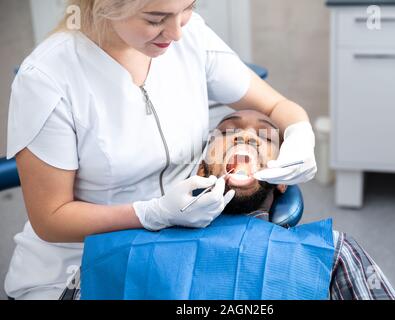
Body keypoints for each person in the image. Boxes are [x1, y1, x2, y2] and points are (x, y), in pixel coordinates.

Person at [5, 0, 317, 300]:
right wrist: (151, 213)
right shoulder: (47, 78)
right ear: (105, 5)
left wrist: (300, 130)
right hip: (79, 267)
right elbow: (50, 219)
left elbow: (276, 106)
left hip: (178, 249)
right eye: (155, 19)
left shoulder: (191, 34)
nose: (178, 32)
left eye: (188, 7)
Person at [61, 110, 395, 300]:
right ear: (201, 168)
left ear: (284, 177)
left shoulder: (333, 254)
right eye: (226, 132)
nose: (245, 137)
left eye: (267, 136)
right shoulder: (119, 250)